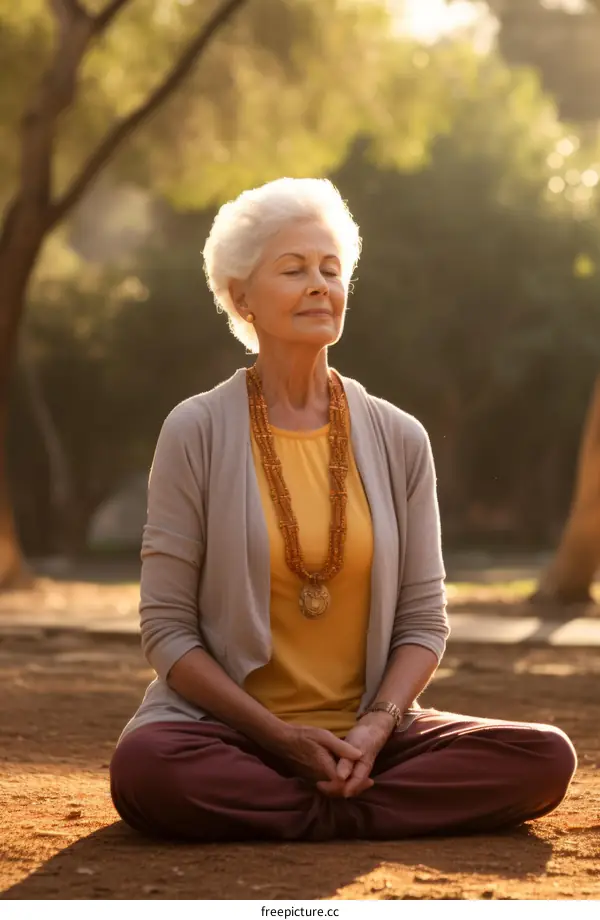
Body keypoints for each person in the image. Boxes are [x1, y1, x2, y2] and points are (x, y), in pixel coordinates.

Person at [109, 178, 576, 842]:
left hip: (373, 734)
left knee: (544, 757)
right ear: (241, 296)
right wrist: (277, 735)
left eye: (331, 269)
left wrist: (375, 726)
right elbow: (167, 633)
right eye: (294, 269)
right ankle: (355, 809)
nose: (319, 285)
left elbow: (422, 622)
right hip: (229, 735)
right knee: (147, 768)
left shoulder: (399, 436)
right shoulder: (196, 430)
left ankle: (317, 804)